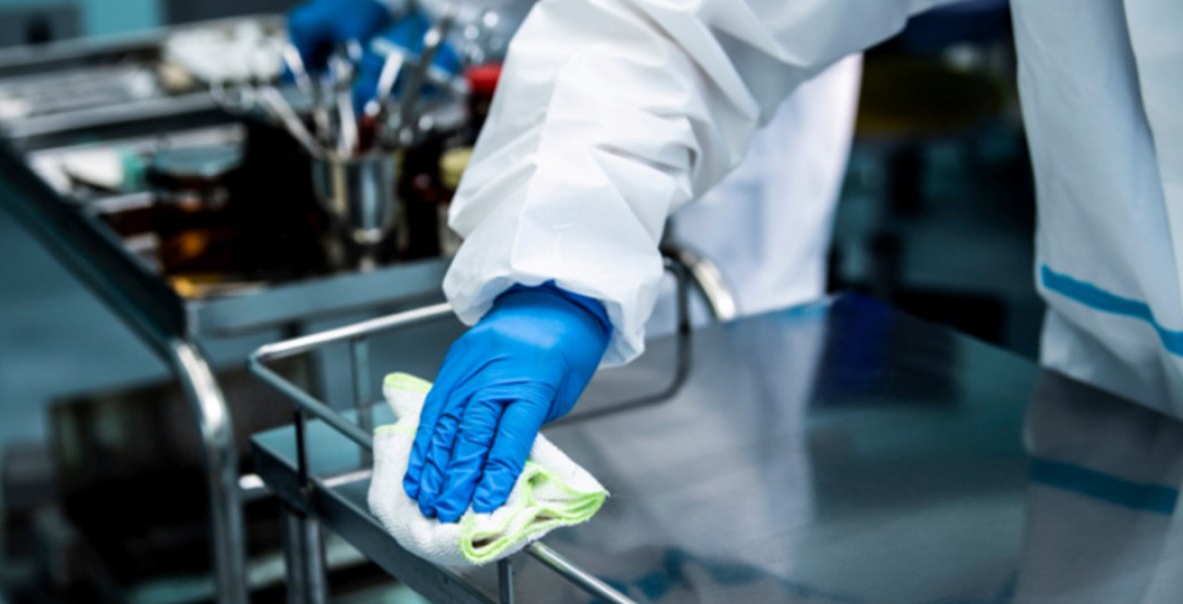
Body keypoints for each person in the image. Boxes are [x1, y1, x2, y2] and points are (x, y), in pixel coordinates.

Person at [299, 0, 1182, 523]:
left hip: (747, 229)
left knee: (720, 471)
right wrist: (556, 259)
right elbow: (675, 23)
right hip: (1130, 397)